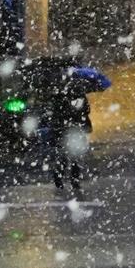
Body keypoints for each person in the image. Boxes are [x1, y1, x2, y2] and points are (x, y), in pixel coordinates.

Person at [45, 65, 92, 201]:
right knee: (73, 156)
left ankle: (61, 180)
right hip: (73, 129)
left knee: (64, 156)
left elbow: (55, 113)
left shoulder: (58, 94)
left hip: (64, 129)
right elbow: (86, 111)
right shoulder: (77, 94)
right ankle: (73, 180)